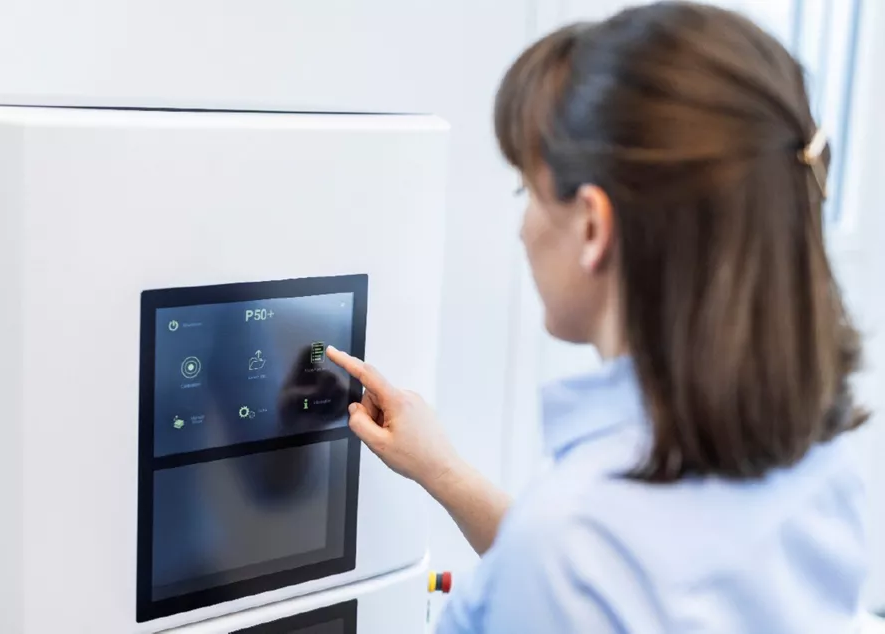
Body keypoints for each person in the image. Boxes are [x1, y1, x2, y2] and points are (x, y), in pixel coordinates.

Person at [328, 1, 869, 632]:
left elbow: (574, 571)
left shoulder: (571, 544)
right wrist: (443, 471)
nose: (524, 229)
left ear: (592, 226)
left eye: (528, 192)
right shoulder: (819, 467)